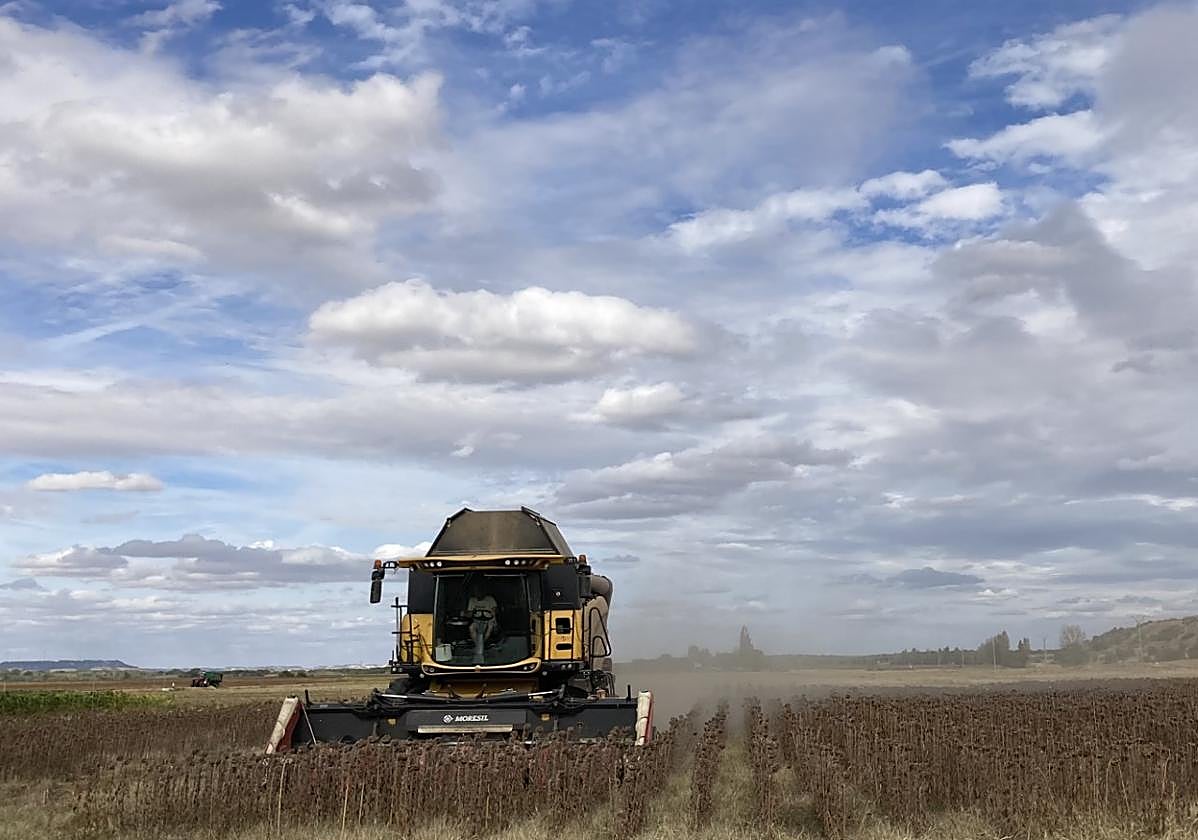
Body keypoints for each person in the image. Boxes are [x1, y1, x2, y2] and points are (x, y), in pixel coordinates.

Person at [465, 579, 499, 662]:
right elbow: (469, 614)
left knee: (490, 627)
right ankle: (479, 645)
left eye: (479, 591)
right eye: (476, 591)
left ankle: (480, 645)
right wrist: (471, 612)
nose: (478, 593)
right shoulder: (472, 600)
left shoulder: (490, 599)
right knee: (471, 628)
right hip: (477, 620)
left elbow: (495, 611)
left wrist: (494, 618)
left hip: (489, 620)